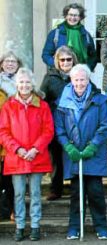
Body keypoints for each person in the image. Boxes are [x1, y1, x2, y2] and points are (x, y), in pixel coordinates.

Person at [54, 64, 107, 240]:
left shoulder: (99, 100)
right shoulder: (62, 103)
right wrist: (68, 146)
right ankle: (74, 227)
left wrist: (93, 146)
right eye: (76, 80)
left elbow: (105, 125)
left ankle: (101, 226)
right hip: (74, 154)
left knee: (95, 192)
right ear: (71, 80)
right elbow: (59, 129)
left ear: (88, 80)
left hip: (94, 154)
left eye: (83, 79)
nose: (79, 83)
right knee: (75, 194)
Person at [0, 68, 54, 241]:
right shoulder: (8, 106)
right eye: (21, 82)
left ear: (33, 84)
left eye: (27, 82)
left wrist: (34, 149)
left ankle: (35, 226)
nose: (24, 85)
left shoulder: (42, 105)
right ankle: (20, 226)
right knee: (19, 193)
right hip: (16, 158)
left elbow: (48, 130)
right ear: (16, 84)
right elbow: (3, 132)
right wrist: (18, 149)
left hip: (36, 156)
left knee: (36, 193)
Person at [40, 46, 78, 201]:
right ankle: (56, 188)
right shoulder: (50, 78)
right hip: (56, 122)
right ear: (57, 61)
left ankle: (76, 187)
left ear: (73, 60)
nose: (65, 62)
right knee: (55, 156)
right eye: (62, 60)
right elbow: (42, 99)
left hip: (75, 123)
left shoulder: (79, 75)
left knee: (74, 154)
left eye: (68, 59)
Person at [0, 51, 23, 220]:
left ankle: (14, 209)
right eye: (7, 61)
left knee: (12, 178)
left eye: (13, 61)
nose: (10, 64)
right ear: (1, 64)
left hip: (17, 136)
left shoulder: (23, 83)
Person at [42, 3, 97, 71]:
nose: (73, 18)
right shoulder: (55, 34)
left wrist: (87, 68)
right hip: (60, 74)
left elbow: (93, 57)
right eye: (70, 15)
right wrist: (58, 65)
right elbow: (46, 55)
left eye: (76, 15)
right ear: (66, 16)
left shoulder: (86, 35)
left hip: (79, 75)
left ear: (80, 17)